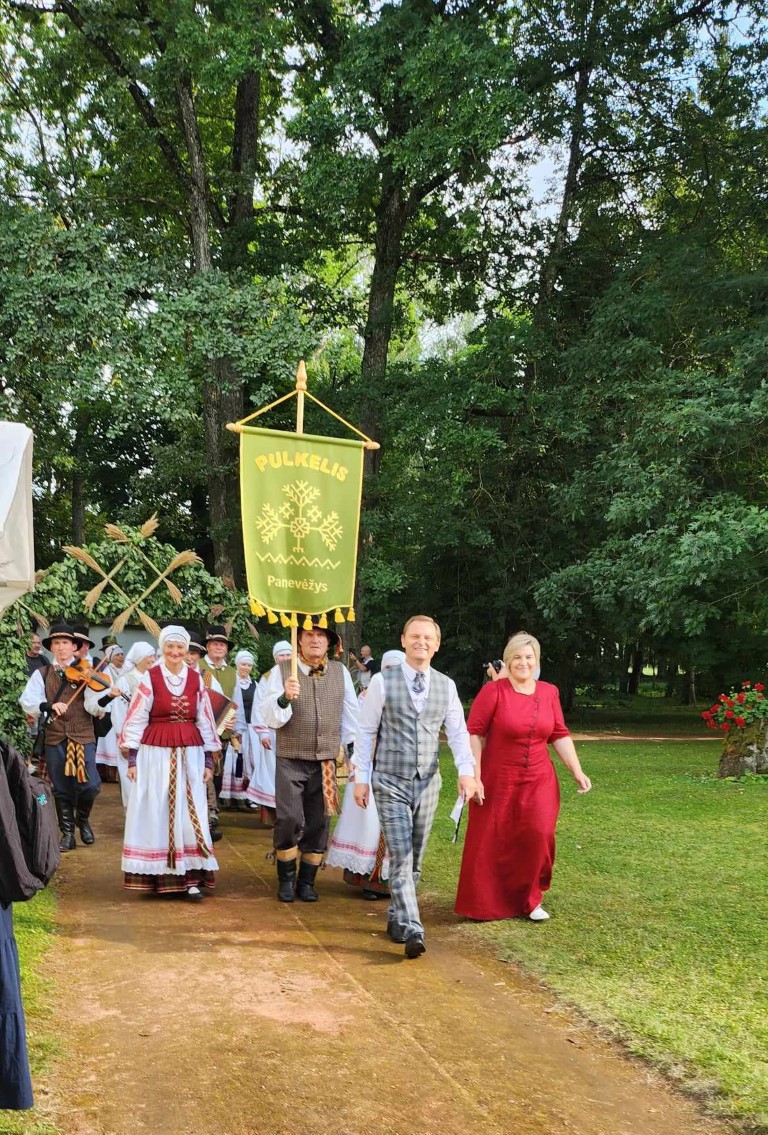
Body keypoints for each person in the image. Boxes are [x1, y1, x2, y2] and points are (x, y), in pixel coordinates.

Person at [353, 616, 477, 959]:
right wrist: (361, 777)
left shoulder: (445, 685)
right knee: (402, 854)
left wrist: (467, 772)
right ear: (404, 640)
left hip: (428, 782)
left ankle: (395, 916)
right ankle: (413, 927)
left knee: (416, 857)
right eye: (415, 636)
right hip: (389, 780)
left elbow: (457, 733)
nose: (422, 642)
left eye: (428, 637)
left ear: (436, 644)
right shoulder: (382, 681)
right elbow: (365, 731)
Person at [455, 631, 592, 923]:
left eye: (529, 657)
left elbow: (559, 733)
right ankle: (485, 902)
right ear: (508, 660)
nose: (523, 662)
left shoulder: (549, 692)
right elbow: (475, 734)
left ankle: (531, 900)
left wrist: (577, 771)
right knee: (493, 838)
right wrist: (475, 776)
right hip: (497, 778)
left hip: (540, 779)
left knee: (538, 835)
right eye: (517, 657)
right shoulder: (494, 691)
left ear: (537, 661)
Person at [119, 625, 221, 899]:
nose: (175, 652)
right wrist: (132, 758)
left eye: (180, 648)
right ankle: (158, 877)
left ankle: (191, 878)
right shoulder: (150, 678)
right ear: (162, 648)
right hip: (155, 753)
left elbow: (205, 718)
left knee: (190, 813)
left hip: (190, 752)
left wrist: (209, 760)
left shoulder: (197, 679)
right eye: (170, 647)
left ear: (187, 650)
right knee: (159, 808)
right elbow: (138, 716)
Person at [262, 619, 358, 903]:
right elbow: (269, 717)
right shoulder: (281, 672)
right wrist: (284, 697)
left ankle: (307, 882)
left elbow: (351, 716)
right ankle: (286, 881)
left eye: (320, 636)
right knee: (289, 819)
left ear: (329, 642)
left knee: (319, 822)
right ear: (298, 641)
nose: (315, 640)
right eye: (308, 635)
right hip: (291, 757)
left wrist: (352, 752)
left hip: (326, 760)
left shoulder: (341, 673)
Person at [326, 649, 406, 898]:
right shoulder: (366, 696)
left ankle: (389, 880)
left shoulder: (412, 697)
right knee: (368, 822)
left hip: (399, 768)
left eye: (397, 669)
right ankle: (365, 878)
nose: (392, 674)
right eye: (388, 669)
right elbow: (361, 731)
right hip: (371, 767)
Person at [19, 623, 103, 852]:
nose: (61, 648)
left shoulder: (86, 671)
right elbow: (27, 701)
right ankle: (67, 833)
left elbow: (93, 705)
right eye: (56, 643)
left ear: (74, 646)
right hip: (55, 735)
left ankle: (82, 819)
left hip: (82, 733)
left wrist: (104, 700)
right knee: (60, 787)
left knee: (91, 785)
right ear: (51, 647)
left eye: (65, 643)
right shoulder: (43, 673)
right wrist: (48, 704)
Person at [245, 641, 290, 824]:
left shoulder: (299, 674)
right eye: (281, 655)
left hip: (295, 733)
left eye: (288, 655)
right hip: (272, 733)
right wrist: (263, 732)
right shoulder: (268, 677)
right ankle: (274, 816)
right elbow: (259, 706)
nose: (285, 658)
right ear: (275, 657)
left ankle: (293, 814)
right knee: (273, 773)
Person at [111, 642, 157, 808]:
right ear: (138, 659)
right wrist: (124, 740)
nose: (153, 660)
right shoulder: (126, 680)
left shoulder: (154, 679)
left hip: (152, 739)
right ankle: (132, 819)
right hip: (131, 739)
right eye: (148, 656)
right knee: (131, 780)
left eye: (154, 656)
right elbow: (119, 712)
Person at [221, 650, 259, 810]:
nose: (246, 668)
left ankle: (247, 796)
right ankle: (231, 798)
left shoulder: (255, 685)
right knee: (235, 761)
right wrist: (232, 729)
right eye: (244, 664)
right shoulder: (233, 683)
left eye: (249, 665)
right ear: (237, 664)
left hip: (251, 730)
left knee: (249, 763)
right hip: (236, 728)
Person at [94, 643, 126, 782]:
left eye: (122, 654)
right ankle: (109, 774)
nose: (121, 657)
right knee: (109, 744)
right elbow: (105, 691)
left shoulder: (126, 671)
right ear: (110, 658)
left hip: (124, 711)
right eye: (117, 655)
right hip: (110, 712)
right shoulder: (106, 672)